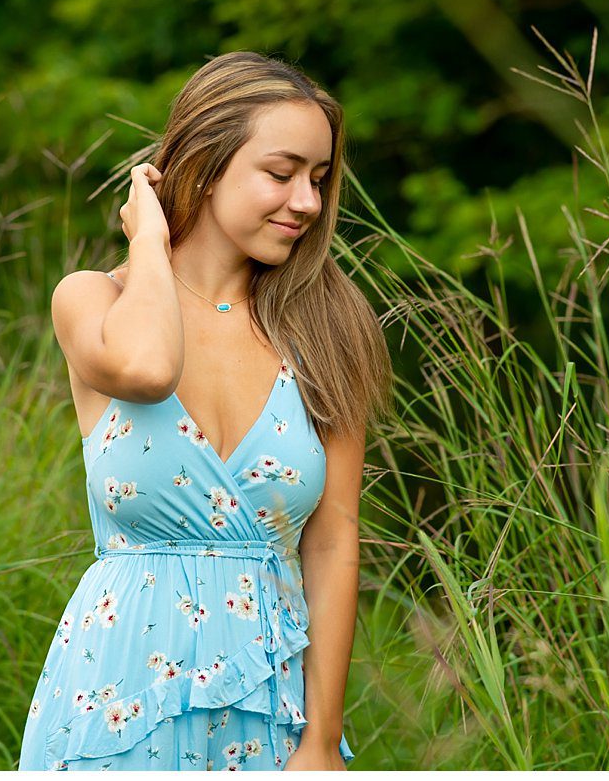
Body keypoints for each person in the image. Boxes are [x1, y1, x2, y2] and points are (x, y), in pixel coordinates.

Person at [21, 54, 391, 772]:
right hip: (115, 695)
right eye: (281, 173)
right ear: (205, 164)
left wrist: (320, 739)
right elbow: (148, 370)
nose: (308, 202)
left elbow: (332, 543)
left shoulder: (328, 328)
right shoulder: (93, 300)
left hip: (273, 705)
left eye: (318, 178)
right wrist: (151, 240)